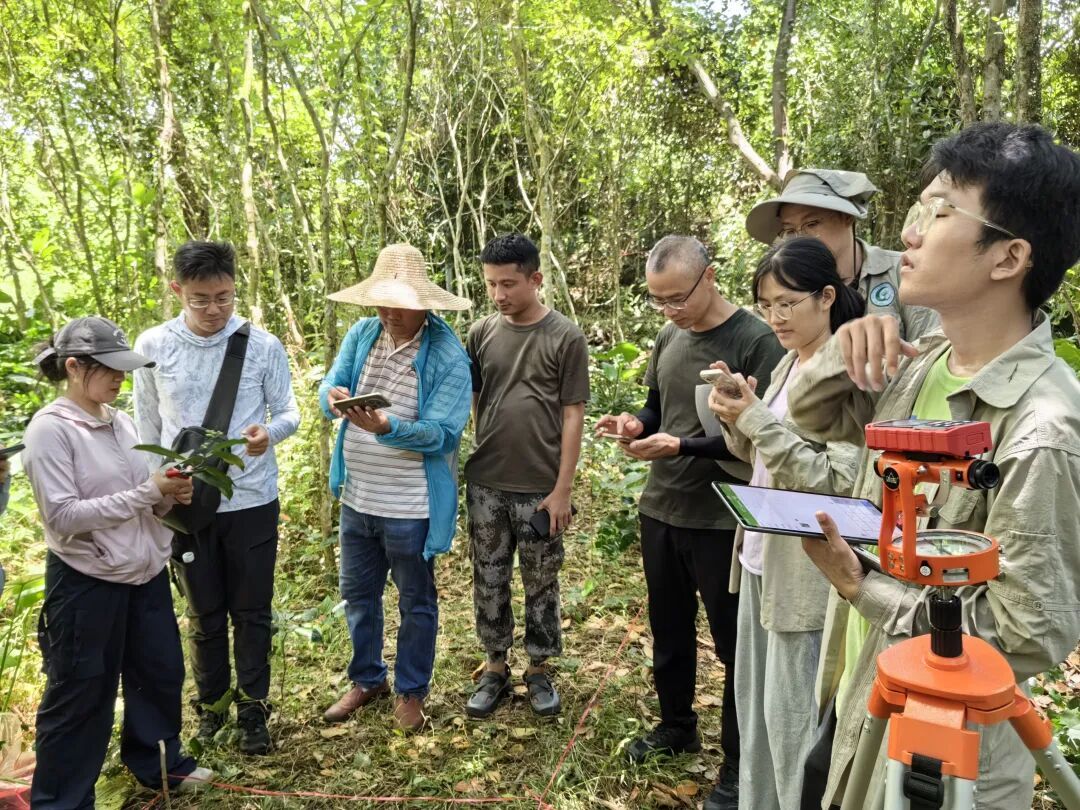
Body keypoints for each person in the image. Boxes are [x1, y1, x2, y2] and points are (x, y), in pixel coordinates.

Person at [787, 122, 1080, 809]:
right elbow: (808, 413)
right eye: (918, 210)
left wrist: (865, 590)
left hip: (946, 759)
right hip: (864, 686)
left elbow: (1027, 632)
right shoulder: (920, 368)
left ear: (1008, 258)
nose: (911, 234)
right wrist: (841, 346)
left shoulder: (1041, 427)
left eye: (941, 211)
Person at [596, 235, 785, 810]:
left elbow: (762, 432)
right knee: (669, 630)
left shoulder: (756, 339)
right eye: (659, 301)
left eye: (678, 297)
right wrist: (635, 424)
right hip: (662, 508)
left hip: (725, 516)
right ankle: (676, 726)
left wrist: (681, 445)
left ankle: (737, 762)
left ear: (710, 276)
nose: (671, 310)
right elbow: (656, 404)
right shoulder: (670, 335)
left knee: (734, 647)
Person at [22, 317, 211, 808]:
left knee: (159, 673)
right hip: (88, 581)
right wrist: (148, 491)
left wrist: (167, 495)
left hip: (143, 573)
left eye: (123, 370)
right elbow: (63, 517)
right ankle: (61, 799)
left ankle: (159, 764)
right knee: (82, 693)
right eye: (109, 370)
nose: (119, 379)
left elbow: (139, 498)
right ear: (73, 367)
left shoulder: (119, 421)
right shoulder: (50, 431)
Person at [705, 237, 863, 810]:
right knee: (757, 708)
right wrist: (738, 408)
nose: (774, 317)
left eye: (786, 303)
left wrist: (752, 416)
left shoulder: (844, 368)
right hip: (757, 558)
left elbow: (834, 480)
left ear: (827, 296)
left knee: (795, 716)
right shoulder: (788, 363)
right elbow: (763, 458)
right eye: (765, 305)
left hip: (806, 572)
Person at [134, 241, 300, 755]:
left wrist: (266, 435)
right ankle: (210, 711)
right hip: (185, 508)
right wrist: (159, 488)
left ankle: (253, 711)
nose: (214, 310)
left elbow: (289, 412)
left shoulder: (263, 345)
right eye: (201, 299)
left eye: (224, 298)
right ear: (176, 290)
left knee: (252, 611)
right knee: (203, 615)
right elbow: (147, 425)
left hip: (251, 501)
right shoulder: (153, 346)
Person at [319, 244, 472, 733]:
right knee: (358, 596)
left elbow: (444, 432)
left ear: (425, 304)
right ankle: (367, 678)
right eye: (381, 303)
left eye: (399, 305)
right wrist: (334, 398)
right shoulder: (364, 335)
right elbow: (330, 388)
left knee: (415, 601)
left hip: (410, 504)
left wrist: (388, 428)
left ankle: (411, 690)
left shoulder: (448, 356)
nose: (389, 314)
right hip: (358, 498)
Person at [463, 234, 590, 718]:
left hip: (541, 487)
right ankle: (494, 665)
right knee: (488, 577)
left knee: (541, 579)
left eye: (509, 284)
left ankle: (538, 669)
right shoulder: (480, 333)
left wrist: (562, 490)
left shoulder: (565, 337)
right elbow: (475, 397)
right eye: (492, 284)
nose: (499, 295)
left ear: (536, 279)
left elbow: (572, 414)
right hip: (487, 483)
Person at [745, 168, 938, 340]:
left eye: (812, 224)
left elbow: (929, 352)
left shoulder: (902, 271)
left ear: (847, 217)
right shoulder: (787, 289)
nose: (799, 238)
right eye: (789, 230)